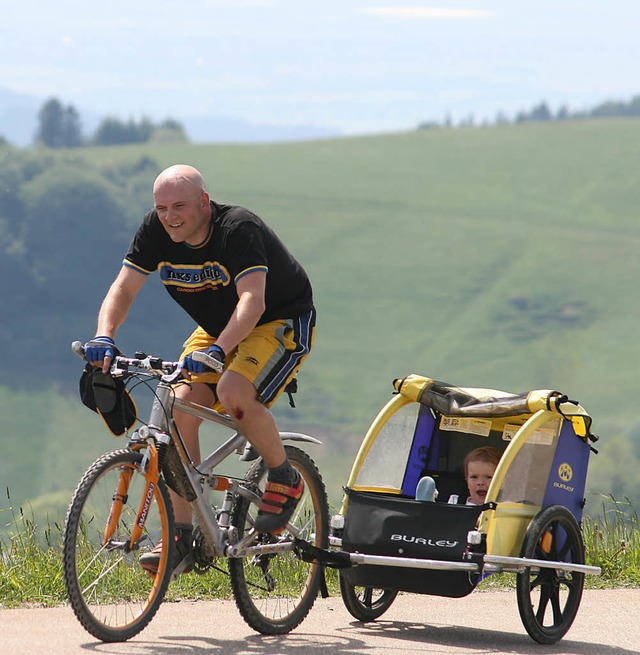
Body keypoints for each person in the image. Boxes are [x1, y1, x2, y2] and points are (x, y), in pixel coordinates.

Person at [84, 164, 316, 574]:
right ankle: (184, 536)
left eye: (179, 206)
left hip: (277, 322)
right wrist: (104, 335)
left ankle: (285, 475)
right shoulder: (155, 231)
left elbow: (252, 302)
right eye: (161, 208)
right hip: (217, 329)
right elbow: (124, 286)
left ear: (204, 202)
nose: (170, 217)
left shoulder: (237, 228)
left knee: (232, 392)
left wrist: (219, 351)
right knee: (176, 408)